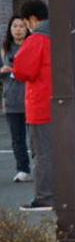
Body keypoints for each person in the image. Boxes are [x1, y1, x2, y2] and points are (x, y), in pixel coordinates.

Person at [7, 1, 54, 210]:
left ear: (32, 19)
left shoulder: (37, 39)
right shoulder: (60, 34)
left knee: (42, 153)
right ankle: (62, 193)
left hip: (40, 103)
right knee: (58, 151)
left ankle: (44, 196)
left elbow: (23, 70)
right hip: (59, 103)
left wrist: (14, 67)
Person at [1, 16, 31, 183]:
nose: (18, 29)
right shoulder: (5, 49)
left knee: (36, 138)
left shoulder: (31, 45)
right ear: (10, 29)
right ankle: (22, 169)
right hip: (12, 99)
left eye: (21, 26)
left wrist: (14, 70)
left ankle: (41, 168)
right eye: (15, 26)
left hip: (30, 98)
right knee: (17, 139)